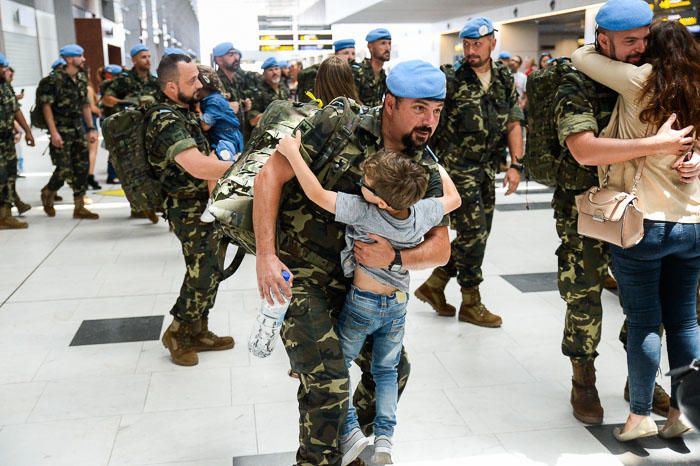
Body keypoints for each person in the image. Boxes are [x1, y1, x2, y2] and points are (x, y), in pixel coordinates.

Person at [254, 59, 451, 466]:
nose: (429, 121)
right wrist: (266, 255)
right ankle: (317, 460)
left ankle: (351, 447)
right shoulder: (338, 121)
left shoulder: (424, 164)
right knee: (326, 381)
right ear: (390, 103)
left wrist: (395, 255)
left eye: (436, 110)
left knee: (393, 373)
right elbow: (269, 176)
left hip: (363, 286)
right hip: (302, 271)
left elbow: (441, 248)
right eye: (419, 108)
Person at [552, 0, 699, 425]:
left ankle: (640, 404)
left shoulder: (639, 78)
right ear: (604, 39)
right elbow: (581, 149)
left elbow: (583, 55)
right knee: (588, 297)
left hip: (639, 217)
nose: (639, 48)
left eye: (645, 40)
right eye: (630, 41)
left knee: (646, 322)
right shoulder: (576, 81)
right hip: (604, 209)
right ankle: (588, 380)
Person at [276, 135, 460, 465]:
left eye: (367, 184)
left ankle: (349, 432)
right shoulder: (419, 213)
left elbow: (316, 194)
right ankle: (385, 438)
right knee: (387, 371)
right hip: (398, 306)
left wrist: (292, 152)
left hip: (363, 303)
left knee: (337, 368)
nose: (361, 184)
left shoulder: (364, 212)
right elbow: (454, 198)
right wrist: (436, 168)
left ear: (382, 202)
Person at [415, 16, 523, 328]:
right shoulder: (449, 79)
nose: (471, 50)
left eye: (477, 43)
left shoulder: (503, 77)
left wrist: (515, 164)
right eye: (467, 44)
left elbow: (514, 121)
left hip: (488, 168)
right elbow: (428, 126)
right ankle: (471, 301)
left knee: (479, 234)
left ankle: (435, 283)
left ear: (493, 42)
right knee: (473, 234)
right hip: (457, 170)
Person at [144, 53, 235, 366]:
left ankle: (199, 329)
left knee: (212, 269)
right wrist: (242, 169)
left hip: (205, 202)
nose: (200, 84)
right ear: (171, 87)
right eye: (192, 80)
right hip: (186, 207)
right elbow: (196, 165)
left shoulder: (184, 110)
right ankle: (178, 332)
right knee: (202, 270)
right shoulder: (164, 118)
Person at [38, 44, 99, 220]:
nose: (84, 59)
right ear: (70, 59)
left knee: (81, 167)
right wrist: (54, 132)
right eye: (80, 56)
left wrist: (91, 128)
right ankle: (48, 192)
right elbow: (46, 107)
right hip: (61, 129)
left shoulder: (80, 78)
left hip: (78, 129)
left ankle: (79, 207)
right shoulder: (52, 81)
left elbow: (85, 105)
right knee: (64, 168)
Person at [0, 53, 34, 230]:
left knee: (10, 175)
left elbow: (15, 110)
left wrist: (27, 131)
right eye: (2, 67)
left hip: (6, 140)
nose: (6, 71)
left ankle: (6, 215)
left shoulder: (5, 86)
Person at [212, 42, 258, 140]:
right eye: (231, 55)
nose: (236, 58)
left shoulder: (237, 80)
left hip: (239, 137)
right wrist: (225, 107)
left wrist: (244, 106)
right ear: (219, 60)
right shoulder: (214, 82)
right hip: (223, 141)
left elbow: (235, 104)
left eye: (236, 54)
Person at [196, 65, 244, 153]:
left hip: (227, 138)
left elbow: (205, 125)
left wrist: (197, 108)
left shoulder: (214, 101)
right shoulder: (213, 98)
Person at [297, 39, 357, 103]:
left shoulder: (357, 73)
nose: (351, 57)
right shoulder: (320, 73)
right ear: (335, 55)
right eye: (346, 53)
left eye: (353, 53)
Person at [247, 57, 290, 128]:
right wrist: (276, 113)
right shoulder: (257, 92)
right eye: (270, 70)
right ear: (264, 73)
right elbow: (253, 121)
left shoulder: (284, 88)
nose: (275, 72)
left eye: (276, 69)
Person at [353, 28, 391, 107]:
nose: (387, 48)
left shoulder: (383, 76)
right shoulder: (357, 72)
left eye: (389, 43)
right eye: (383, 43)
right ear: (370, 46)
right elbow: (352, 102)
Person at [86, 77, 101, 190]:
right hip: (89, 122)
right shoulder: (87, 89)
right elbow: (91, 107)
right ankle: (89, 176)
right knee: (92, 151)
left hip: (80, 122)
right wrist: (100, 110)